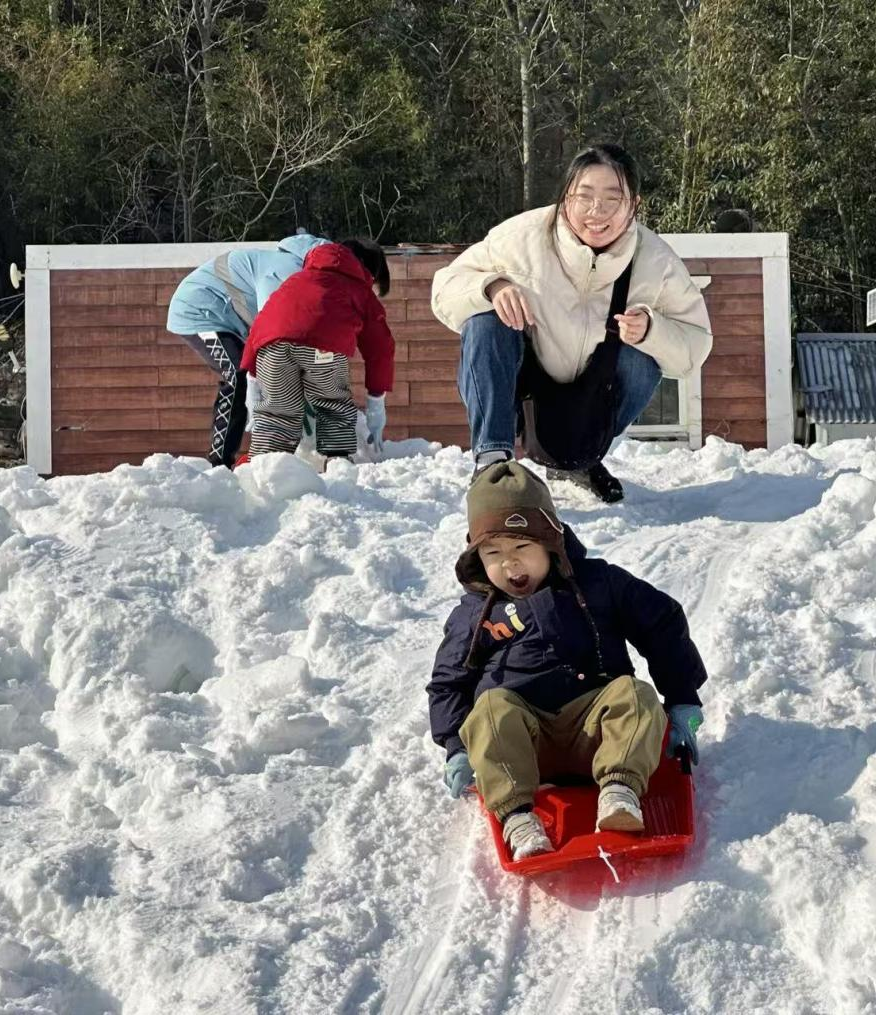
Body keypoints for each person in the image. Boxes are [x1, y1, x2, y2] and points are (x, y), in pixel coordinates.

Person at [426, 461, 707, 860]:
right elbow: (448, 684)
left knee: (633, 694)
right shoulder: (475, 616)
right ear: (476, 556)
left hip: (596, 732)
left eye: (522, 547)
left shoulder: (599, 583)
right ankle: (518, 818)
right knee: (490, 709)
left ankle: (619, 793)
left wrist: (682, 699)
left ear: (550, 542)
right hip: (523, 743)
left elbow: (662, 621)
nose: (510, 564)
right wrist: (456, 746)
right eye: (493, 553)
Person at [431, 143, 712, 502]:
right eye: (585, 196)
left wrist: (652, 331)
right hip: (523, 391)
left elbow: (696, 345)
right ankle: (492, 462)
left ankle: (582, 459)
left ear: (635, 205)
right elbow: (443, 290)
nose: (597, 211)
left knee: (644, 358)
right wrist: (493, 286)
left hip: (590, 399)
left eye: (613, 199)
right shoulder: (520, 237)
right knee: (484, 319)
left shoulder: (658, 263)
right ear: (566, 197)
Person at [167, 232, 330, 467]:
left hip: (230, 319)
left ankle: (272, 457)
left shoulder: (311, 280)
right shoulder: (285, 271)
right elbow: (269, 331)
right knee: (236, 374)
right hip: (200, 309)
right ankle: (219, 464)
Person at [240, 239, 395, 461]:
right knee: (332, 406)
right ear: (366, 269)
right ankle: (338, 466)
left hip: (272, 350)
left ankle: (265, 469)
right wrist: (376, 405)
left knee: (277, 415)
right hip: (323, 352)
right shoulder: (359, 289)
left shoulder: (296, 280)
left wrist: (252, 379)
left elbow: (261, 326)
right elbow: (380, 348)